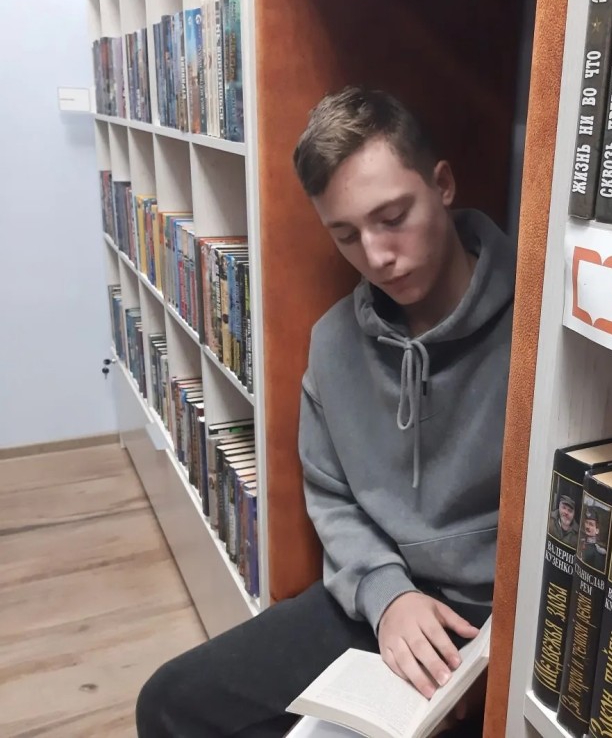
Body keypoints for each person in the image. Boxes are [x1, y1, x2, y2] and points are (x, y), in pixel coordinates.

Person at [134, 85, 517, 737]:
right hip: (381, 597)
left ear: (443, 184)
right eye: (346, 235)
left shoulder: (534, 327)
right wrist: (387, 596)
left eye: (392, 217)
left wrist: (496, 647)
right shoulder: (335, 343)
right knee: (170, 703)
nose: (376, 256)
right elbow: (332, 498)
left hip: (500, 620)